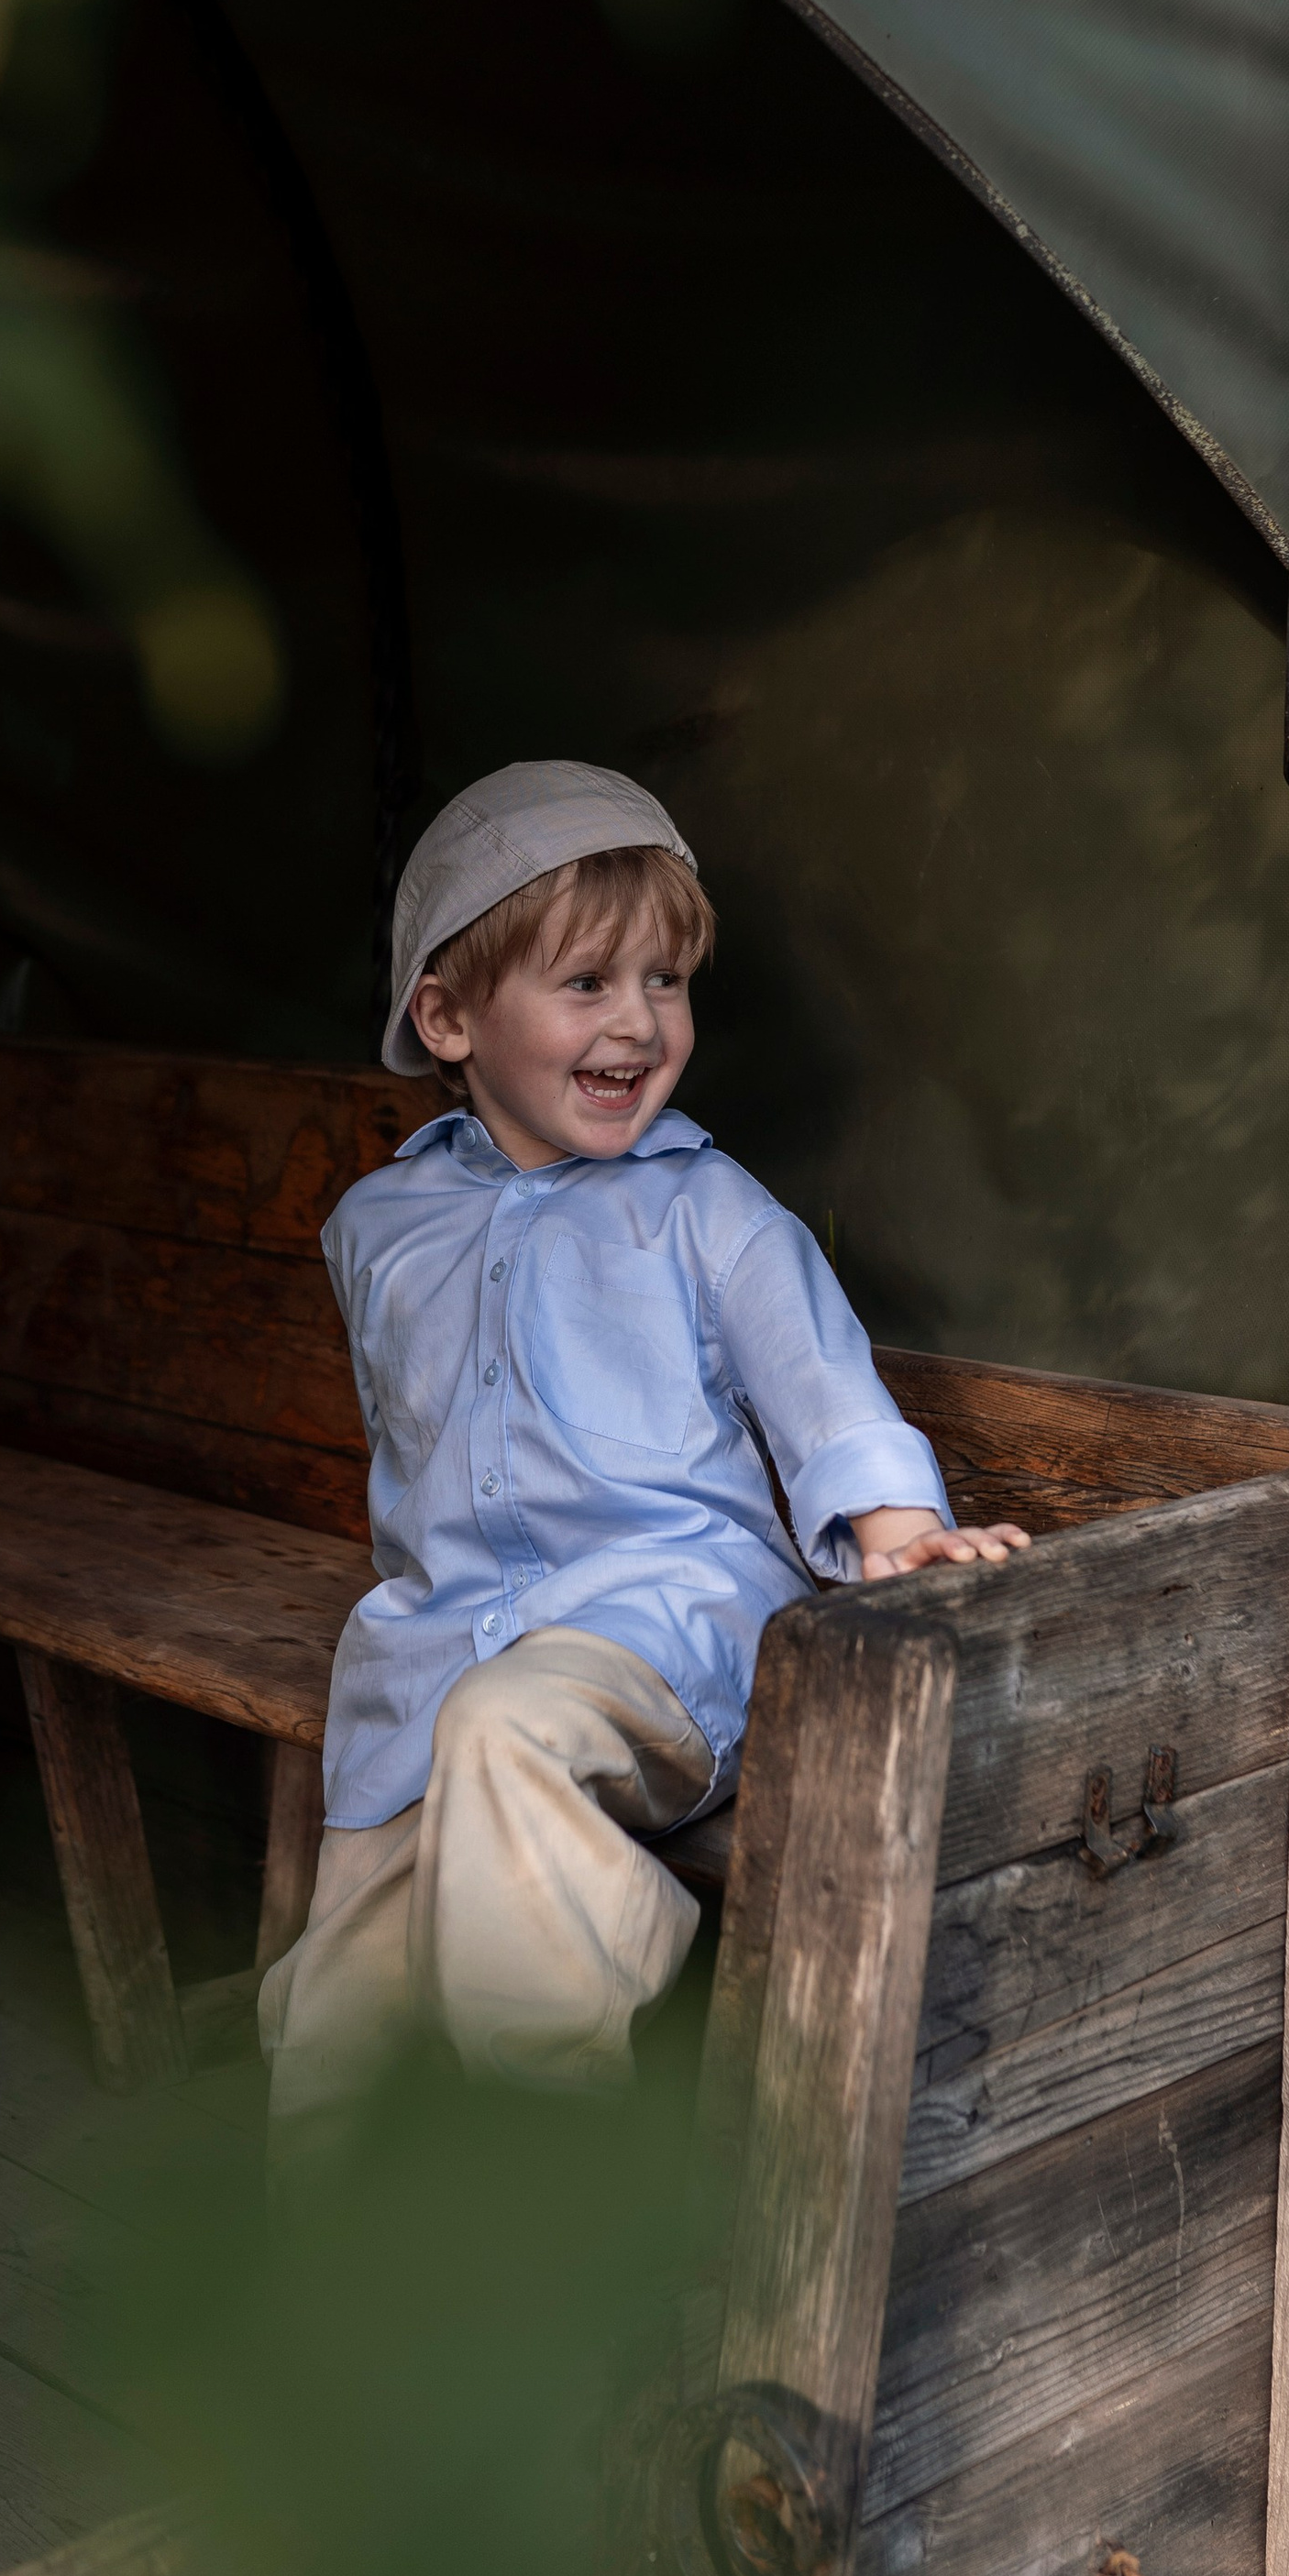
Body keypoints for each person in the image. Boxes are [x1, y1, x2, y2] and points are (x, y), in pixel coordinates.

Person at [258, 761, 1026, 2142]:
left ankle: (560, 2161)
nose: (638, 1023)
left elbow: (822, 1391)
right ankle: (329, 2320)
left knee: (511, 1736)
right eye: (588, 984)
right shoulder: (380, 1227)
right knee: (334, 2021)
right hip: (433, 1657)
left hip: (661, 1635)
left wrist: (902, 1529)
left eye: (666, 982)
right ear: (447, 1017)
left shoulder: (709, 1212)